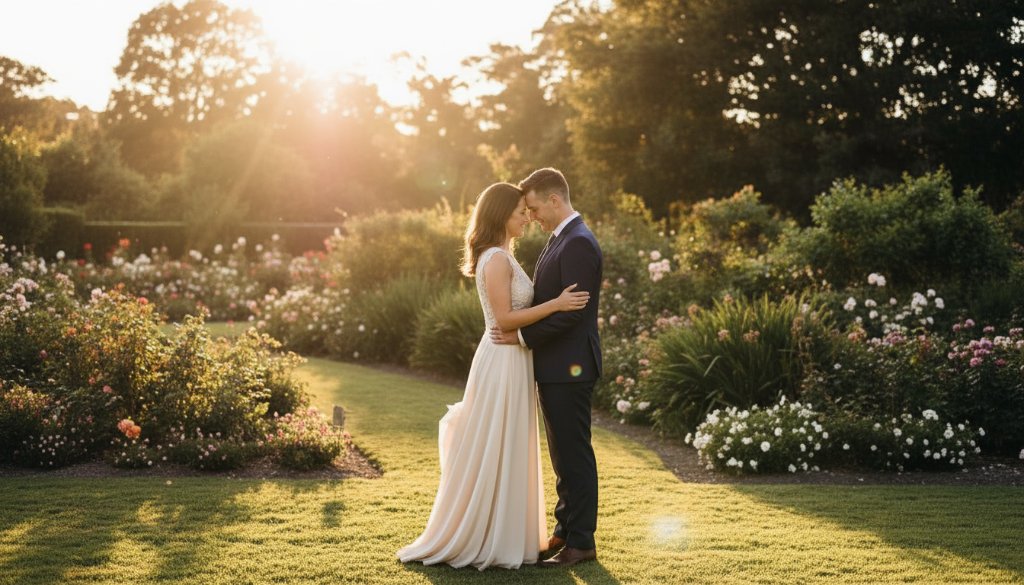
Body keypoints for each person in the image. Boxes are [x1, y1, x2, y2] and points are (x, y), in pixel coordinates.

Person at [397, 182, 589, 570]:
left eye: (528, 211)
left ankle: (507, 533)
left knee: (506, 443)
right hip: (503, 358)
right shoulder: (497, 259)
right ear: (501, 215)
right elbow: (504, 319)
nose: (527, 217)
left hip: (513, 357)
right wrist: (556, 304)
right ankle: (487, 534)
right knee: (496, 442)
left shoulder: (502, 254)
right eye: (520, 212)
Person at [491, 167, 603, 568]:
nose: (532, 216)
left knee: (574, 454)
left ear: (554, 200)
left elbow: (573, 313)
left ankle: (582, 542)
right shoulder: (560, 239)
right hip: (555, 365)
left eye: (535, 208)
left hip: (571, 366)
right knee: (562, 455)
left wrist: (522, 337)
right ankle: (564, 530)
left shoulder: (578, 242)